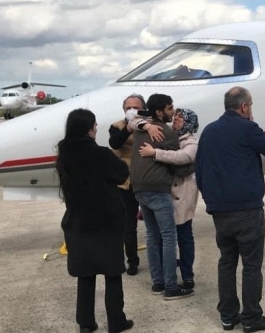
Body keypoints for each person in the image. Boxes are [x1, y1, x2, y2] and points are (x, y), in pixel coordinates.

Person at [196, 87, 265, 333]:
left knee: (227, 261)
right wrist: (252, 124)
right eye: (250, 105)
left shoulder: (209, 131)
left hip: (220, 210)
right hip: (247, 208)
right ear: (244, 106)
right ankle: (252, 317)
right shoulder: (247, 128)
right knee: (251, 264)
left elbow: (199, 169)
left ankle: (228, 316)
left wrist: (211, 200)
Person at [55, 109, 134, 333]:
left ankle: (86, 323)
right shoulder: (100, 154)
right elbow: (122, 174)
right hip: (106, 221)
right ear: (88, 128)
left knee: (85, 274)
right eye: (94, 125)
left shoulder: (65, 154)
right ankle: (116, 321)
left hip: (78, 222)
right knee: (112, 272)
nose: (96, 128)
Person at [130, 94, 194, 300]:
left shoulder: (142, 129)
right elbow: (180, 166)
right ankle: (171, 286)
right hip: (157, 189)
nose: (173, 112)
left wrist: (146, 125)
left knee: (151, 235)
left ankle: (157, 283)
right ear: (159, 112)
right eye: (169, 108)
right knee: (169, 237)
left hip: (139, 188)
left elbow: (132, 120)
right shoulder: (167, 133)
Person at [108, 94, 145, 276]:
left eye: (136, 107)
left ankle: (165, 257)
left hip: (147, 179)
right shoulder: (117, 127)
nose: (132, 110)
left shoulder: (150, 125)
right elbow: (114, 143)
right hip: (126, 183)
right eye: (128, 107)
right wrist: (129, 128)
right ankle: (132, 261)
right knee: (129, 225)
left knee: (158, 223)